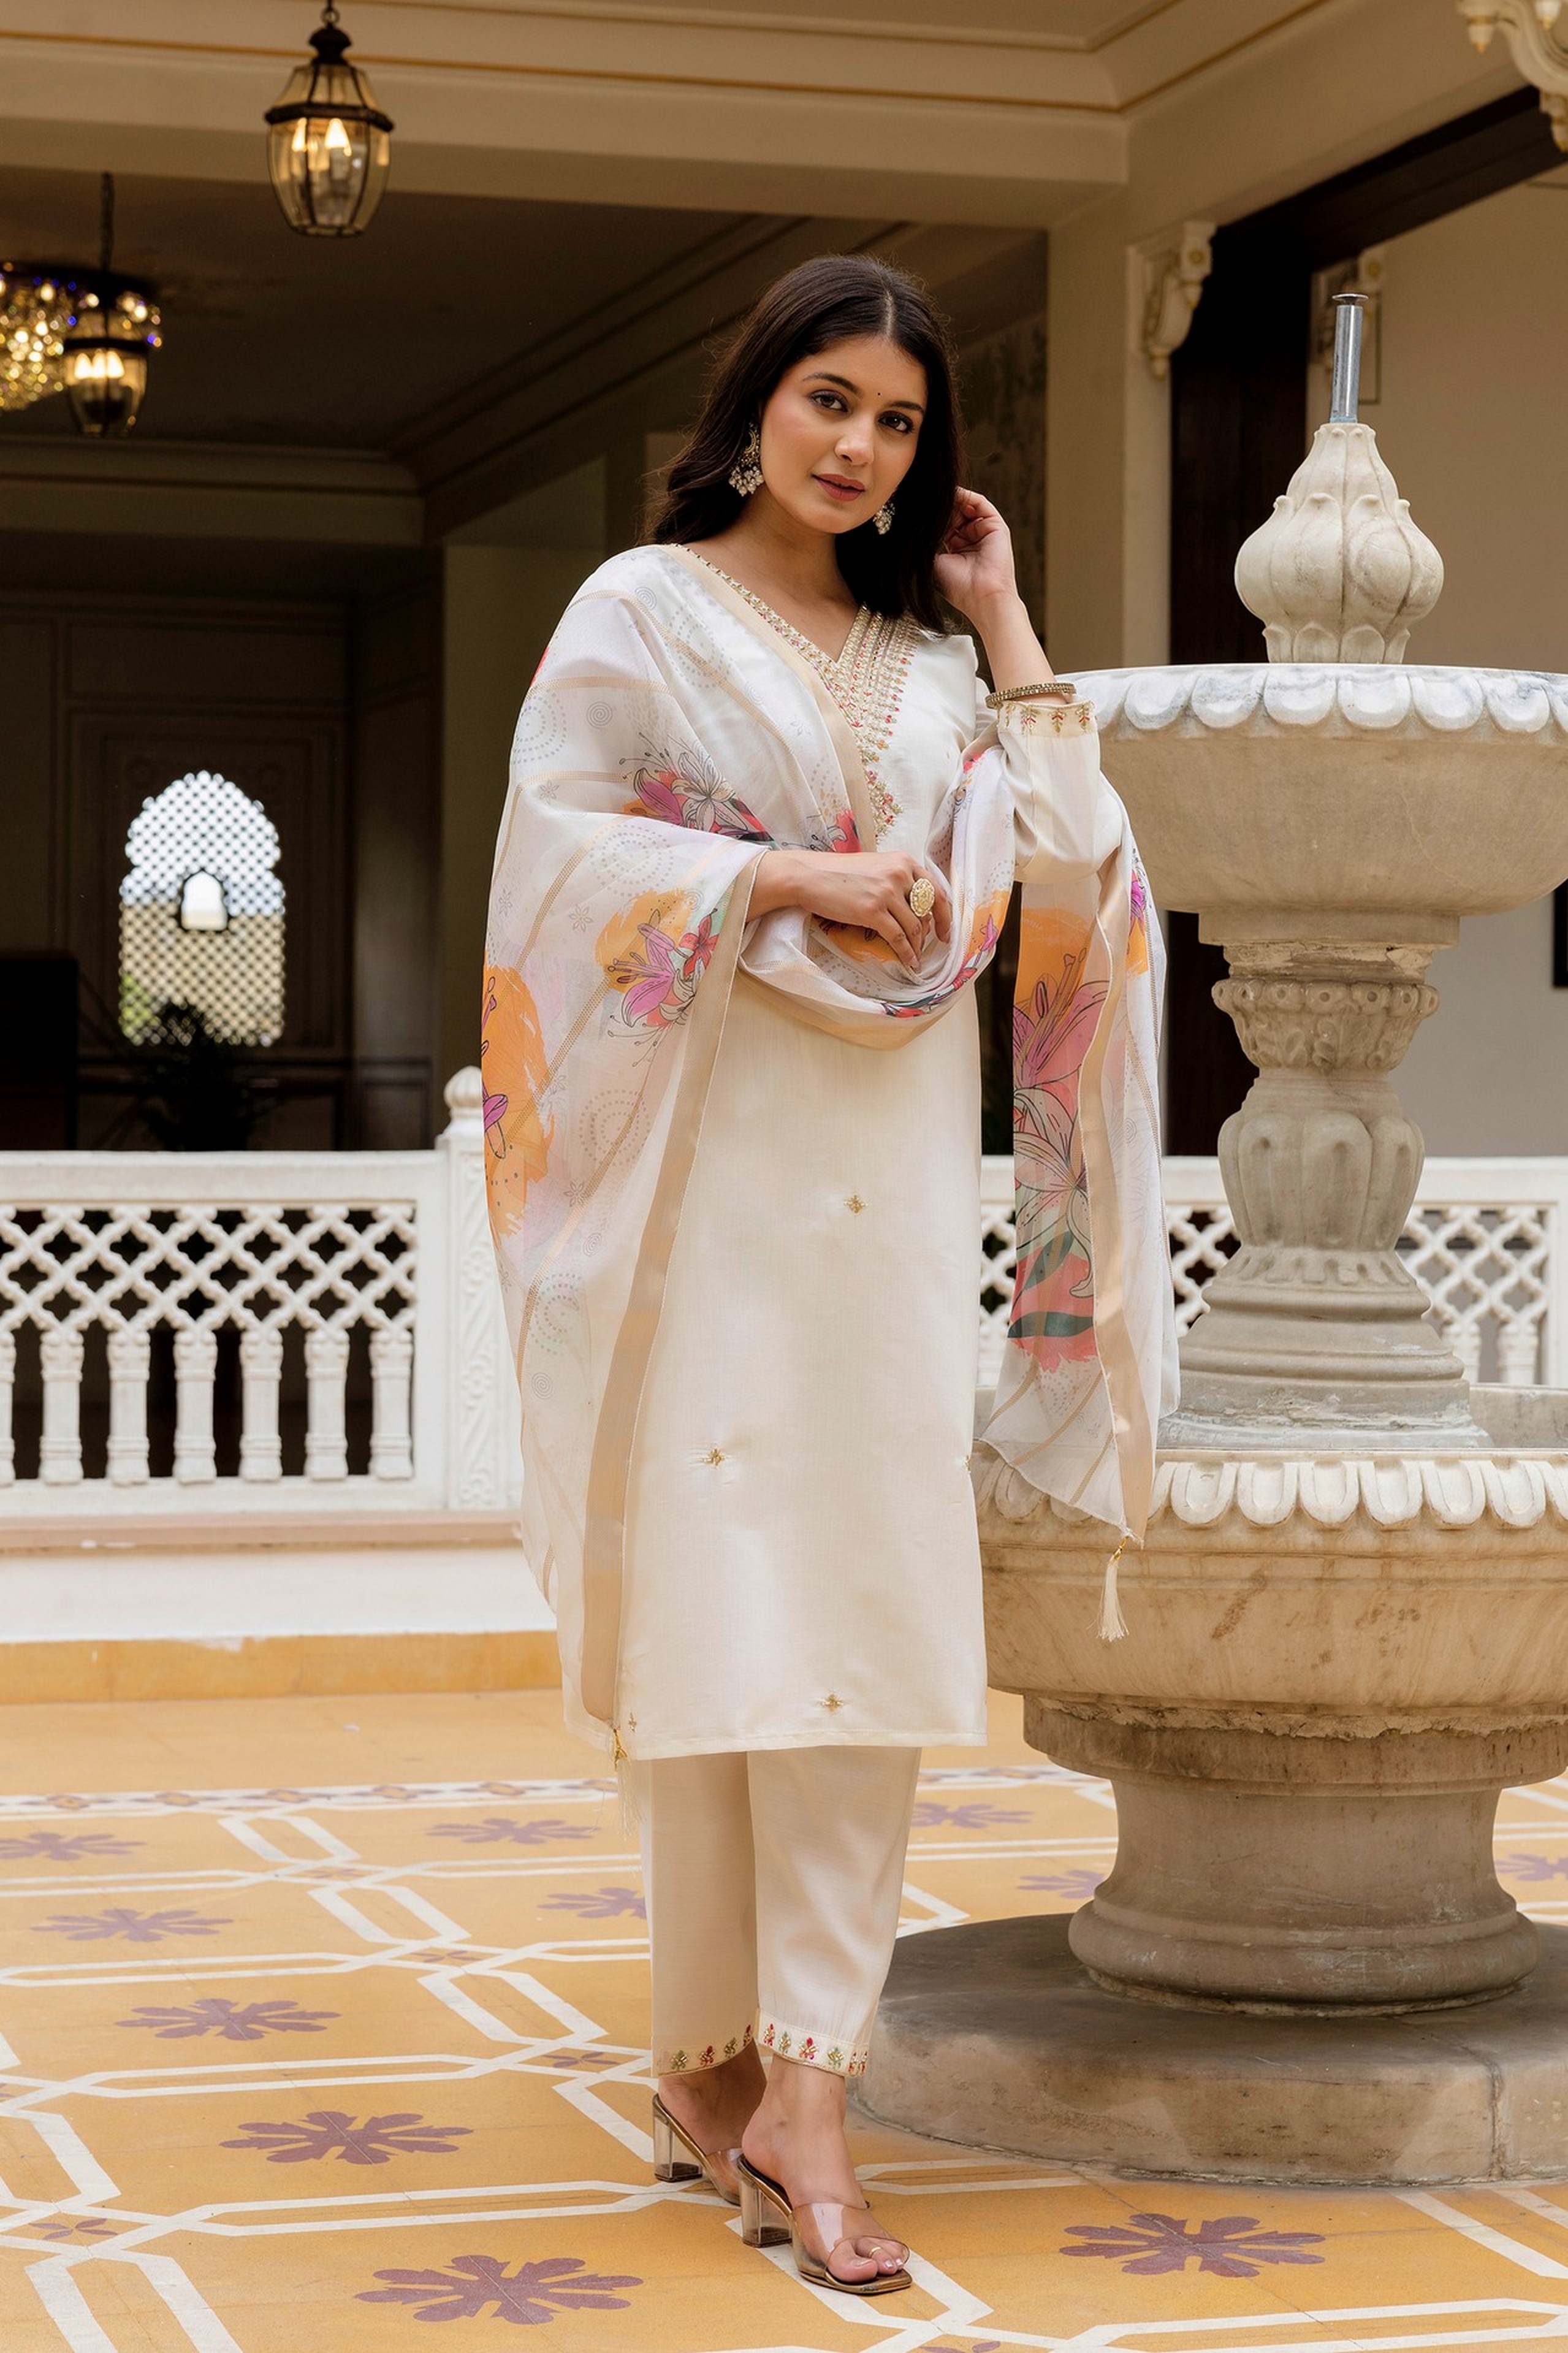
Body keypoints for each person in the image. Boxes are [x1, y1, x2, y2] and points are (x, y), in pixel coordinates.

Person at [483, 254, 1175, 2296]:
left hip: (883, 1187)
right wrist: (778, 873)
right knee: (720, 1616)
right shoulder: (638, 609)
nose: (859, 446)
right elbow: (557, 851)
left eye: (896, 421)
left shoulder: (937, 661)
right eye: (830, 401)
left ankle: (811, 2088)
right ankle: (709, 2053)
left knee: (862, 1608)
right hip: (703, 1177)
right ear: (757, 399)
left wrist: (1003, 612)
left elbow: (1074, 852)